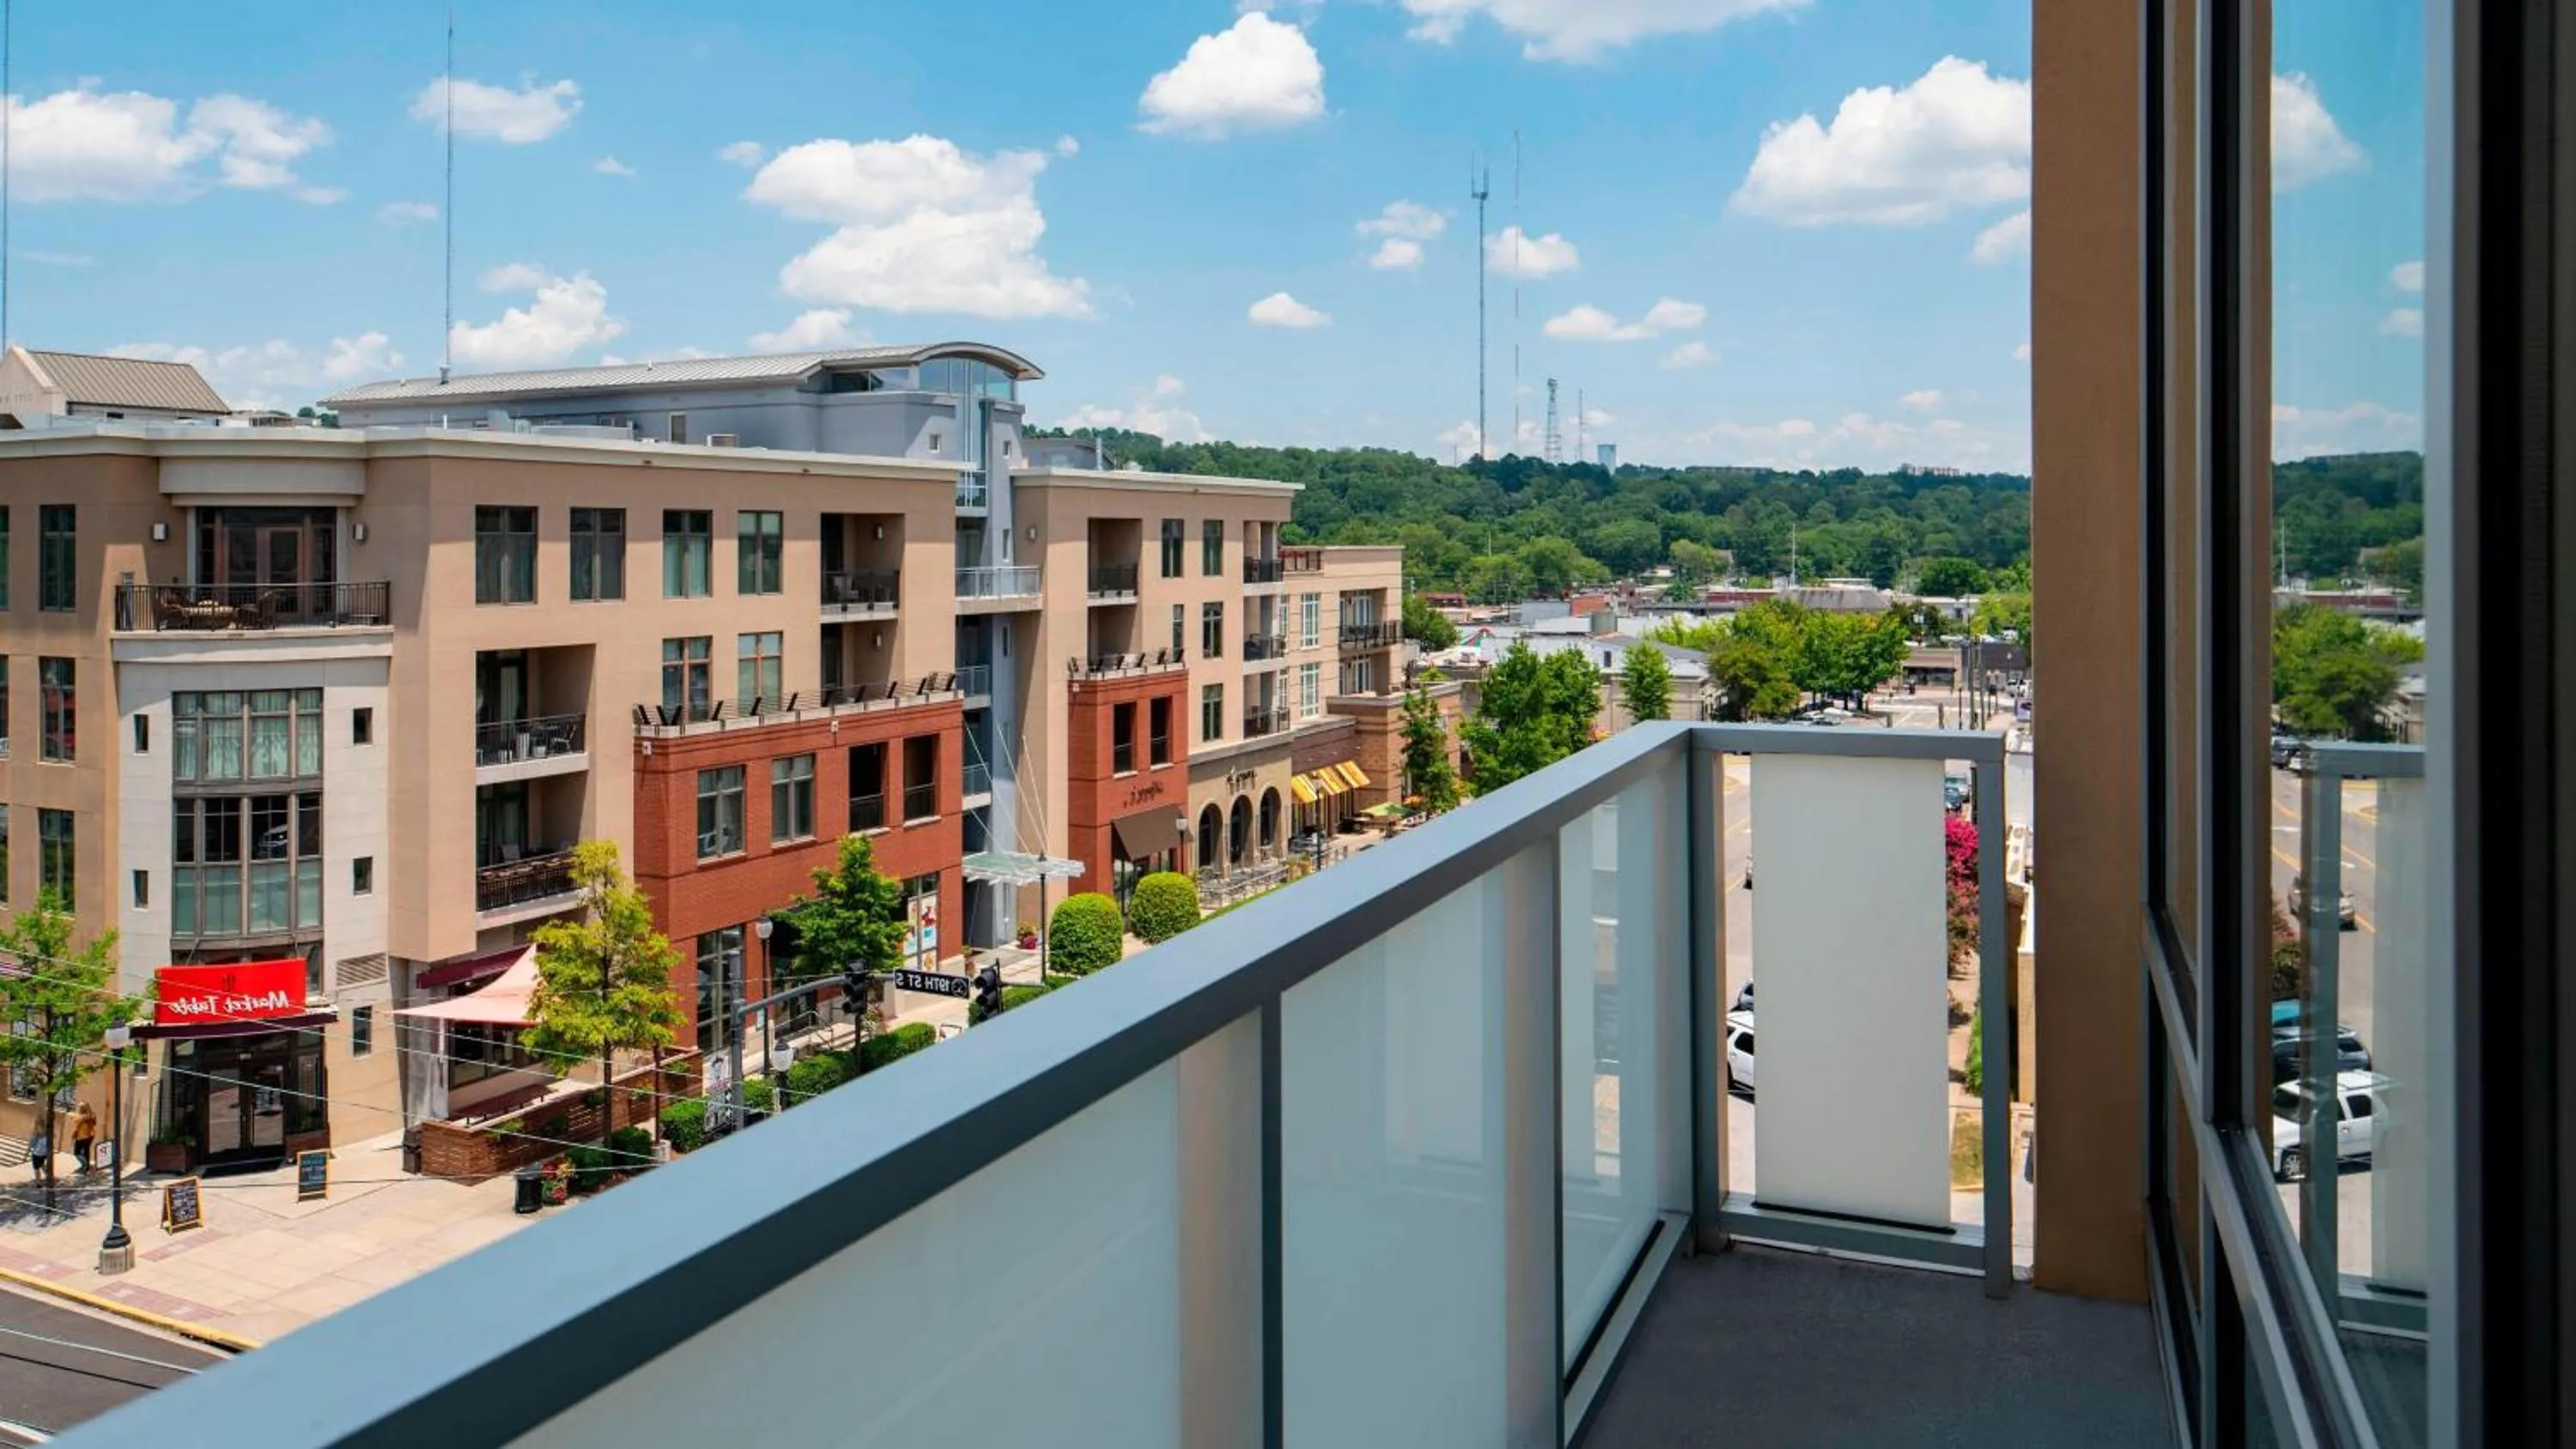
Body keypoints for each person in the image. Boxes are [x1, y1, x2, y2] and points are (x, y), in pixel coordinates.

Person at [69, 1101, 99, 1173]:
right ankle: (86, 1166)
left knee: (76, 1152)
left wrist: (73, 1135)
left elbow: (76, 1124)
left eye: (79, 1107)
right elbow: (95, 1123)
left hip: (81, 1136)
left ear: (82, 1109)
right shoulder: (93, 1115)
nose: (78, 1108)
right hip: (91, 1135)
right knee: (86, 1151)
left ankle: (85, 1165)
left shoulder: (80, 1117)